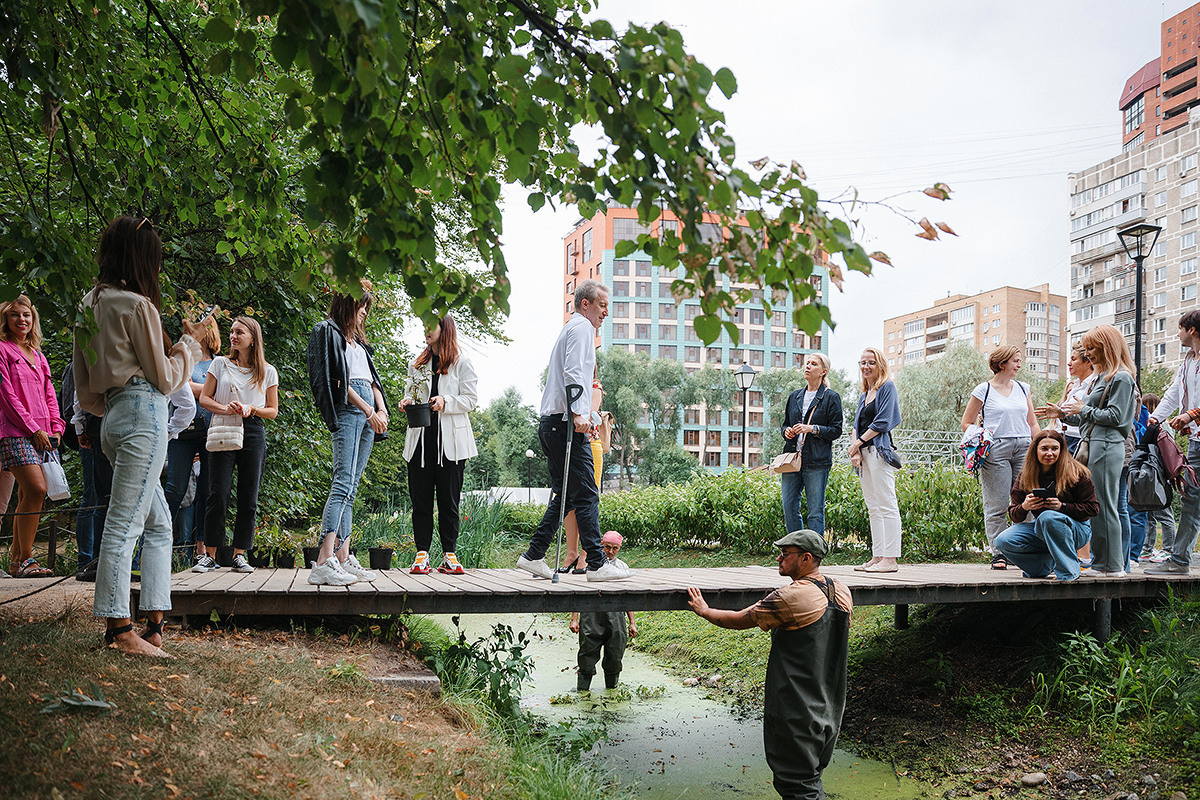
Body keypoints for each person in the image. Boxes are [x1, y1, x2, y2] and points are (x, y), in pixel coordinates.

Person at [74, 215, 204, 656]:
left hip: (111, 415)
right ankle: (119, 629)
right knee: (126, 523)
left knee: (159, 522)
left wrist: (109, 410)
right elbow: (165, 379)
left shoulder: (88, 305)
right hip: (142, 414)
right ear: (141, 257)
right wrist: (189, 346)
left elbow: (83, 382)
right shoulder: (137, 305)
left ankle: (153, 624)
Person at [687, 530, 852, 800]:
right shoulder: (842, 592)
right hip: (830, 708)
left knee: (797, 785)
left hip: (797, 708)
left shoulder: (791, 596)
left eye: (786, 554)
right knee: (809, 778)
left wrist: (705, 611)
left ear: (806, 558)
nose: (779, 558)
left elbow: (740, 619)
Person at [517, 280, 628, 582]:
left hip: (553, 422)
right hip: (565, 423)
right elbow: (573, 371)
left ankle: (533, 555)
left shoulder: (574, 328)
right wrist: (579, 413)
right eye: (602, 305)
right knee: (587, 493)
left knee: (566, 496)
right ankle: (596, 562)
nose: (606, 312)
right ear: (585, 304)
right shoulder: (581, 328)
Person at [306, 286, 391, 586]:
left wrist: (381, 411)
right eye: (361, 306)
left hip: (369, 415)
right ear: (347, 304)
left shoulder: (361, 345)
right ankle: (323, 560)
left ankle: (342, 555)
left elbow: (374, 381)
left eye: (367, 307)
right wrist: (368, 410)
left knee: (352, 487)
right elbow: (336, 382)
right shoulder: (329, 333)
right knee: (342, 481)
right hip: (351, 411)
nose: (365, 312)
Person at [1040, 325, 1137, 577]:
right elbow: (1090, 418)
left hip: (1106, 447)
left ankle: (1112, 566)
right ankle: (1102, 562)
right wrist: (1062, 414)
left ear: (1107, 347)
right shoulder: (1104, 377)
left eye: (1092, 348)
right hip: (1093, 445)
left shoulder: (1122, 377)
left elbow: (1117, 417)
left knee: (1105, 506)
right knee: (1097, 506)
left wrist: (1082, 409)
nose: (1088, 353)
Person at [193, 316, 279, 574]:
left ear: (253, 338)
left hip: (253, 429)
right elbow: (205, 399)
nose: (233, 336)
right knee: (217, 492)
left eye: (239, 332)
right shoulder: (220, 364)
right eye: (231, 332)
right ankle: (209, 554)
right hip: (223, 426)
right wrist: (226, 409)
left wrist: (252, 408)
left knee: (248, 494)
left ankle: (240, 553)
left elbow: (272, 411)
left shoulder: (267, 371)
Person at [399, 314, 477, 575]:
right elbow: (410, 391)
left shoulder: (462, 363)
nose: (426, 330)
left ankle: (449, 555)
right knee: (420, 501)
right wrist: (406, 401)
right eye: (424, 326)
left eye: (431, 326)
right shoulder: (417, 364)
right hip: (420, 442)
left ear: (446, 329)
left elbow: (471, 399)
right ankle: (421, 555)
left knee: (449, 502)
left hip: (451, 445)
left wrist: (446, 401)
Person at [0, 294, 66, 577]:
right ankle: (26, 559)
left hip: (43, 435)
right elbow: (6, 395)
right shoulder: (2, 349)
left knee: (31, 493)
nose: (21, 320)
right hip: (16, 431)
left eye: (26, 315)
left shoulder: (38, 355)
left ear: (33, 319)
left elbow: (49, 394)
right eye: (15, 315)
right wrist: (33, 428)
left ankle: (17, 561)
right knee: (37, 489)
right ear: (5, 319)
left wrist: (56, 426)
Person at [961, 346, 1040, 569]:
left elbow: (1032, 422)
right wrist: (982, 436)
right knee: (997, 503)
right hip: (996, 448)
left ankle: (1021, 549)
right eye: (1015, 361)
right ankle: (999, 553)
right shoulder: (983, 389)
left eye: (1019, 360)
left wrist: (1042, 445)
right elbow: (967, 422)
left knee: (1026, 501)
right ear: (1002, 363)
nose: (1019, 364)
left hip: (1024, 447)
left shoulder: (1024, 389)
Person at [994, 430, 1098, 581]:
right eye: (1044, 449)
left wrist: (1062, 506)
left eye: (1054, 448)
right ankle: (1042, 567)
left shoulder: (1076, 473)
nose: (1049, 453)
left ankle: (1069, 573)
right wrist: (1025, 506)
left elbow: (1093, 508)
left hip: (1078, 529)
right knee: (1003, 541)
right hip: (1042, 528)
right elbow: (1014, 515)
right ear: (1035, 450)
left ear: (1061, 450)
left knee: (1048, 517)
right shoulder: (1026, 475)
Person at [163, 313, 220, 565]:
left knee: (208, 492)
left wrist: (204, 390)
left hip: (211, 433)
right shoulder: (184, 358)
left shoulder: (221, 362)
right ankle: (157, 547)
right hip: (182, 432)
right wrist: (212, 389)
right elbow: (181, 385)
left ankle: (201, 552)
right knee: (174, 489)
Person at [1146, 310, 1200, 575]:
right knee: (1192, 496)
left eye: (1179, 329)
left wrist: (1191, 414)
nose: (1177, 334)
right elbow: (1174, 393)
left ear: (1191, 330)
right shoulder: (1188, 361)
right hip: (1197, 441)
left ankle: (1179, 560)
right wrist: (1155, 418)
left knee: (1193, 497)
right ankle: (1179, 560)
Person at [849, 347, 902, 573]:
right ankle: (878, 555)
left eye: (870, 362)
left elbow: (882, 423)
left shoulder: (886, 387)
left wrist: (857, 443)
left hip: (879, 452)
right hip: (864, 453)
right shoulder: (864, 395)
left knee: (887, 503)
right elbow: (855, 424)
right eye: (862, 363)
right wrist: (855, 450)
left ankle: (890, 559)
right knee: (873, 506)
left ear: (880, 365)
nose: (866, 367)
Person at [780, 353, 843, 536]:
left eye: (813, 364)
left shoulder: (831, 397)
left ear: (823, 371)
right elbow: (785, 423)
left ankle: (813, 555)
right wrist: (786, 431)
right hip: (792, 459)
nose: (807, 366)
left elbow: (836, 430)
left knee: (815, 511)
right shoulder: (795, 397)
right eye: (807, 363)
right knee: (789, 507)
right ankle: (796, 551)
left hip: (817, 461)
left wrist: (812, 428)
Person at [569, 531, 637, 690]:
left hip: (616, 616)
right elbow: (578, 593)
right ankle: (583, 690)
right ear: (601, 546)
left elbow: (628, 598)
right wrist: (574, 618)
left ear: (619, 548)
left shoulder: (622, 568)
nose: (610, 552)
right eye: (607, 547)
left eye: (615, 548)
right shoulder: (589, 566)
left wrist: (632, 622)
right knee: (587, 653)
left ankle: (612, 689)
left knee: (615, 654)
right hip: (591, 614)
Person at [559, 367, 604, 573]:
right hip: (572, 446)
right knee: (569, 500)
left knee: (587, 499)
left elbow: (590, 413)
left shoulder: (594, 387)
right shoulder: (566, 387)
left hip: (589, 445)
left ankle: (586, 553)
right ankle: (571, 552)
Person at [1058, 345, 1096, 454]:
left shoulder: (1093, 385)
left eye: (1073, 359)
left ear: (1087, 362)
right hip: (1067, 438)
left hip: (1079, 441)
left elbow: (1088, 416)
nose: (1069, 363)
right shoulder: (1075, 385)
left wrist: (1060, 414)